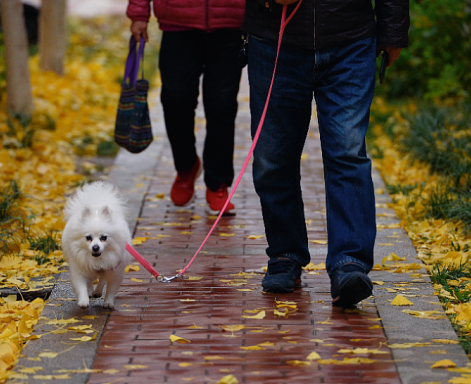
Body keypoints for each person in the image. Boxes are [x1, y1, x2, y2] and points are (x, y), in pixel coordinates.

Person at [243, 0, 409, 306]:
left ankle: (350, 262)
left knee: (347, 152)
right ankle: (284, 254)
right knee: (271, 157)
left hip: (351, 39)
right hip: (274, 39)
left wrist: (393, 31)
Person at [127, 0, 245, 216]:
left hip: (230, 22)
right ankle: (186, 166)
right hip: (177, 21)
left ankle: (218, 183)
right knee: (176, 99)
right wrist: (138, 13)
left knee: (222, 104)